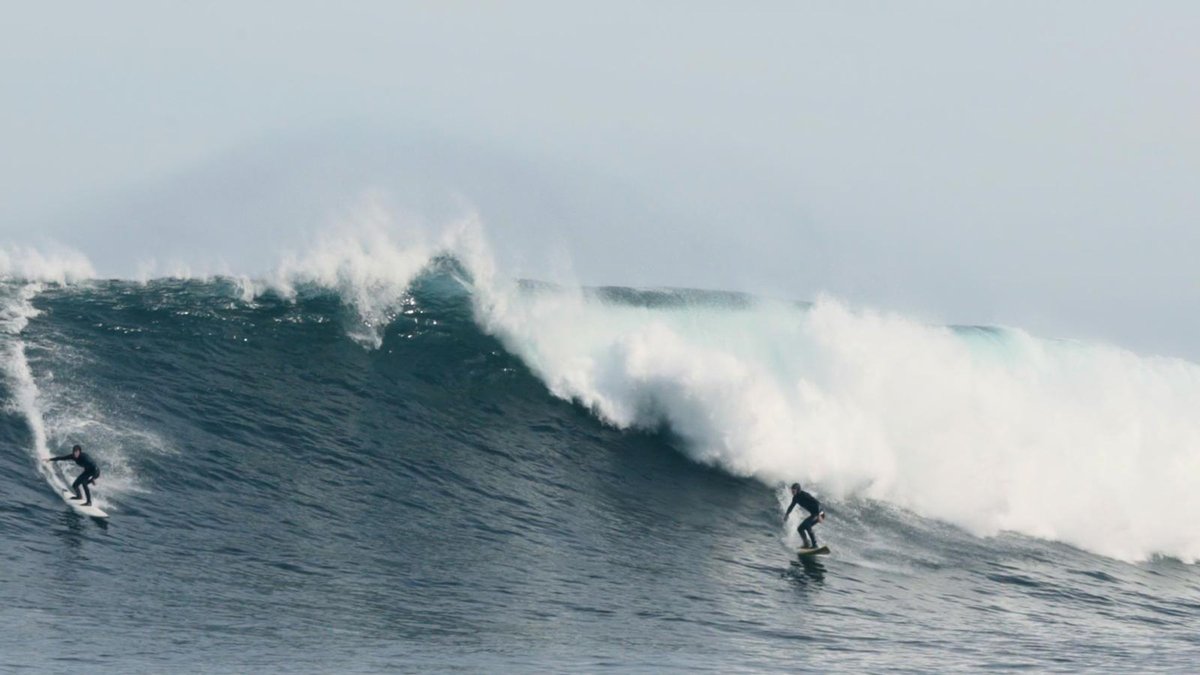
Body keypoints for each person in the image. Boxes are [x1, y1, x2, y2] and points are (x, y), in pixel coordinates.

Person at [784, 482, 825, 549]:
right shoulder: (795, 498)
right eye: (792, 491)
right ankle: (806, 544)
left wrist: (818, 515)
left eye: (793, 491)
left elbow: (817, 503)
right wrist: (787, 514)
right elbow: (791, 507)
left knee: (807, 525)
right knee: (800, 529)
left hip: (820, 513)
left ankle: (815, 545)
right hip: (814, 514)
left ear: (798, 490)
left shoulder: (804, 495)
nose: (792, 492)